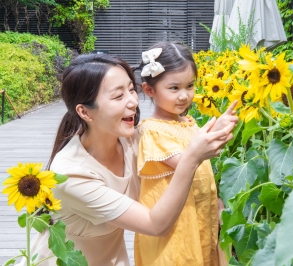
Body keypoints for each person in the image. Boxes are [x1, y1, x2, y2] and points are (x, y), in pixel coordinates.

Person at [18, 53, 237, 266]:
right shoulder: (71, 174)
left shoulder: (135, 139)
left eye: (132, 90)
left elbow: (183, 160)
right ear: (84, 112)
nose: (133, 101)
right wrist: (191, 158)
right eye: (118, 96)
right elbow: (155, 224)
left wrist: (213, 133)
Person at [132, 42, 237, 266]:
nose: (184, 95)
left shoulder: (189, 122)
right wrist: (215, 134)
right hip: (176, 224)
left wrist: (218, 128)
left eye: (190, 86)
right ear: (149, 90)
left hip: (199, 214)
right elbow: (187, 160)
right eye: (174, 88)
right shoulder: (152, 130)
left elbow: (198, 155)